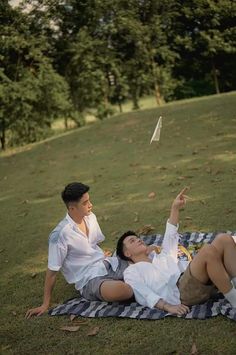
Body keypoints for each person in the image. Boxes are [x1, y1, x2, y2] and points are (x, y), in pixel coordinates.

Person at [116, 187, 236, 316]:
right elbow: (143, 292)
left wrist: (175, 208)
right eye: (132, 241)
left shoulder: (160, 255)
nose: (138, 240)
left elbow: (170, 235)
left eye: (137, 238)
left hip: (191, 277)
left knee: (224, 239)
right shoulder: (132, 272)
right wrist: (167, 307)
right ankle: (234, 299)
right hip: (181, 292)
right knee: (207, 251)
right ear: (127, 253)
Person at [26, 182, 133, 318]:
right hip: (89, 280)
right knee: (123, 290)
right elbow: (52, 272)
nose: (90, 205)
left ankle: (137, 280)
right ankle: (135, 284)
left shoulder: (91, 217)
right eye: (85, 203)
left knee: (144, 260)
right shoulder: (60, 235)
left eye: (89, 200)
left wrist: (100, 254)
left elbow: (93, 244)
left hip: (106, 264)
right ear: (72, 208)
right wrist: (45, 304)